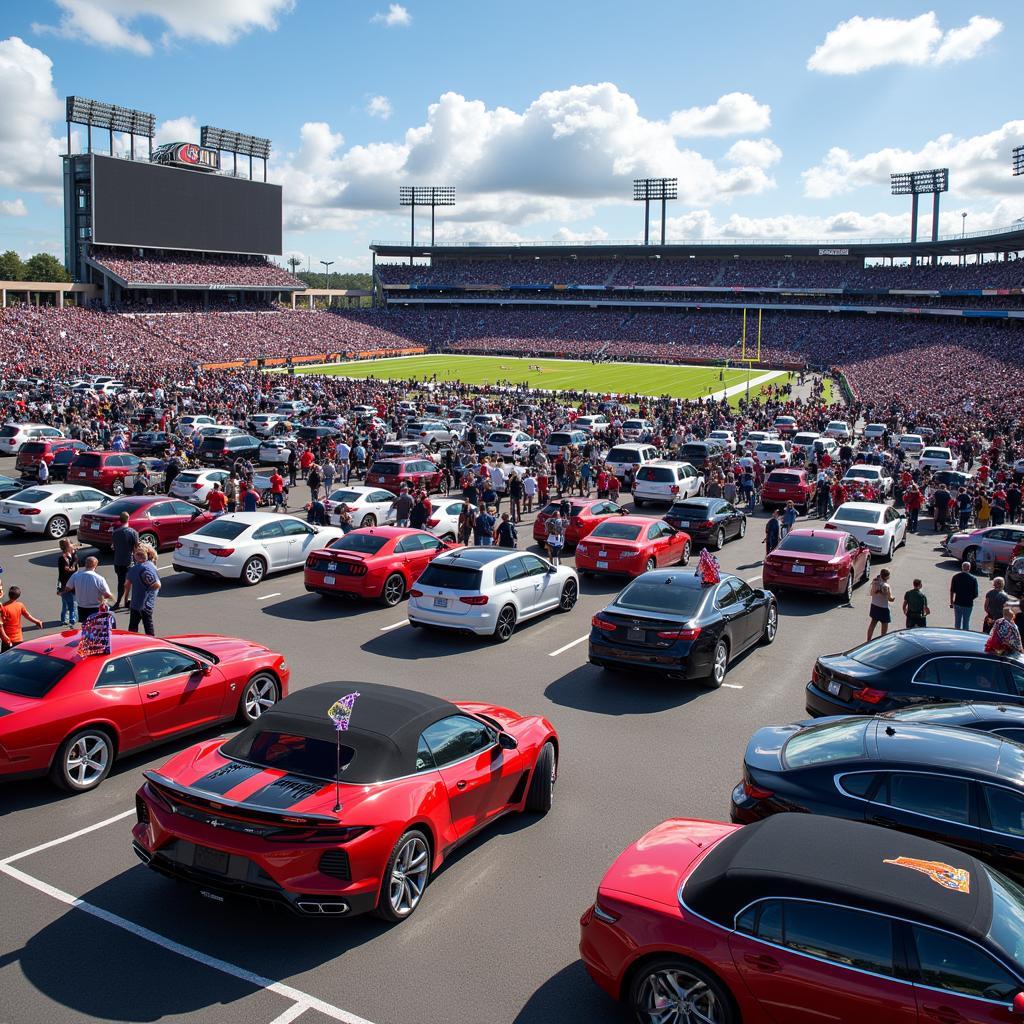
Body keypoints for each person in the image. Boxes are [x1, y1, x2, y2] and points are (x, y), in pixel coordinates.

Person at [124, 544, 160, 636]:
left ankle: (134, 645)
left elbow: (156, 585)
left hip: (138, 604)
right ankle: (152, 644)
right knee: (148, 626)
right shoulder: (151, 565)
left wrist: (125, 600)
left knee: (132, 629)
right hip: (148, 604)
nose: (139, 556)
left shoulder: (137, 569)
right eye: (137, 554)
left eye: (141, 554)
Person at [63, 556, 112, 622]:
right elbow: (107, 595)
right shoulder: (99, 578)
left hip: (81, 607)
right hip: (95, 608)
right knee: (95, 628)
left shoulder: (76, 575)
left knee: (84, 627)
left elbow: (67, 588)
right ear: (95, 565)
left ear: (85, 564)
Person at [110, 511, 139, 611]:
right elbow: (136, 549)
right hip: (128, 561)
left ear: (120, 520)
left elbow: (113, 547)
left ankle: (119, 601)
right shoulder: (133, 532)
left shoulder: (115, 533)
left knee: (120, 582)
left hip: (118, 561)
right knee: (130, 582)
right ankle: (126, 601)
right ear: (128, 519)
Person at [0, 586, 42, 651]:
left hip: (7, 639)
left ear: (9, 595)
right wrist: (37, 621)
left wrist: (5, 636)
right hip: (18, 638)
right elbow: (27, 615)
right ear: (18, 596)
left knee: (5, 658)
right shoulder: (20, 605)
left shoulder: (3, 607)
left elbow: (1, 625)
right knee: (16, 658)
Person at [950, 561, 979, 630]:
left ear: (962, 567)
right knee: (966, 622)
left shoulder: (955, 577)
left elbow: (952, 590)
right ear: (969, 568)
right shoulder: (973, 579)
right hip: (968, 604)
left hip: (958, 602)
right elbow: (976, 594)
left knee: (957, 622)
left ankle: (957, 636)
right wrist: (969, 598)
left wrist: (951, 601)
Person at [867, 568, 895, 641]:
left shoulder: (875, 582)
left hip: (874, 605)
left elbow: (871, 593)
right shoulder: (886, 586)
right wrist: (893, 598)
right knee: (884, 625)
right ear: (886, 577)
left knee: (873, 623)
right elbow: (890, 598)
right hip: (883, 608)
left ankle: (868, 640)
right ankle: (882, 641)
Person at [57, 537, 80, 626]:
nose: (73, 544)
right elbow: (68, 570)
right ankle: (71, 621)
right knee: (72, 604)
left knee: (68, 603)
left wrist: (74, 553)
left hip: (72, 582)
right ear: (67, 547)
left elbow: (75, 562)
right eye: (71, 543)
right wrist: (73, 568)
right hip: (66, 583)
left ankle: (65, 619)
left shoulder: (73, 554)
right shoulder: (63, 558)